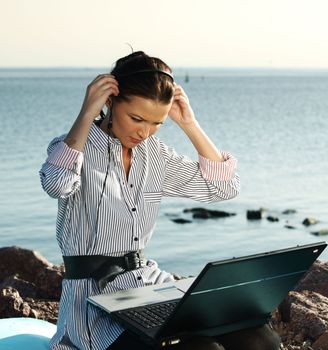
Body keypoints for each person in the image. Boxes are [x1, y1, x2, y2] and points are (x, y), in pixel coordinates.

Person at [39, 51, 279, 350]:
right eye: (136, 118)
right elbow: (57, 183)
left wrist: (189, 124)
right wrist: (86, 114)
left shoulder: (155, 154)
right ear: (110, 102)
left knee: (259, 339)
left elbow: (224, 187)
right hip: (93, 303)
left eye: (157, 123)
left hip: (149, 287)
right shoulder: (75, 147)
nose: (144, 131)